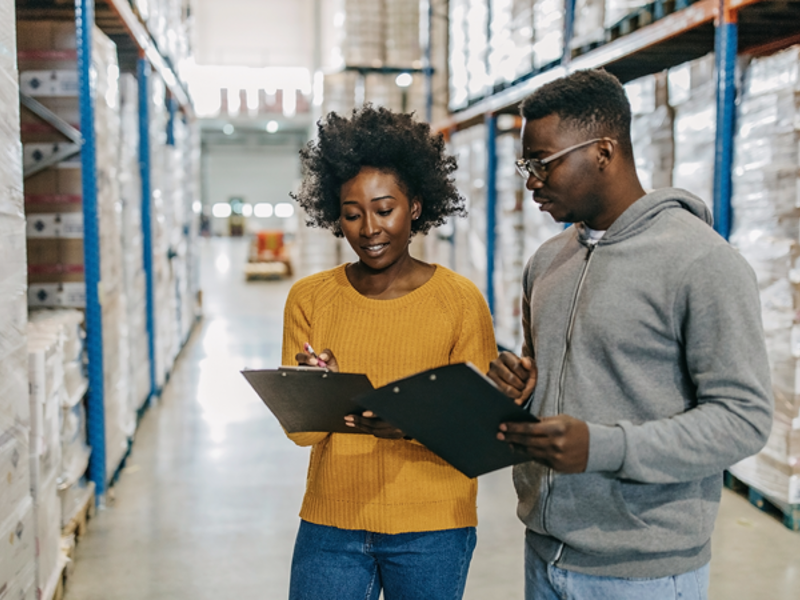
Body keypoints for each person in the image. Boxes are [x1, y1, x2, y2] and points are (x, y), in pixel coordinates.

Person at [486, 69, 773, 600]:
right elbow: (553, 382)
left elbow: (743, 419)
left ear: (602, 151)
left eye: (542, 163)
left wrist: (604, 446)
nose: (530, 181)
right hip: (543, 554)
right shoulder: (547, 263)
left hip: (645, 573)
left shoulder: (702, 262)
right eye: (526, 165)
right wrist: (519, 390)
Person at [282, 105, 498, 600]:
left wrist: (410, 424)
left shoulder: (460, 302)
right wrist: (324, 394)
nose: (369, 229)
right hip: (331, 522)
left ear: (416, 206)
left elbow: (482, 430)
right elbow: (303, 434)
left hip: (433, 526)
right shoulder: (310, 298)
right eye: (352, 214)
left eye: (385, 210)